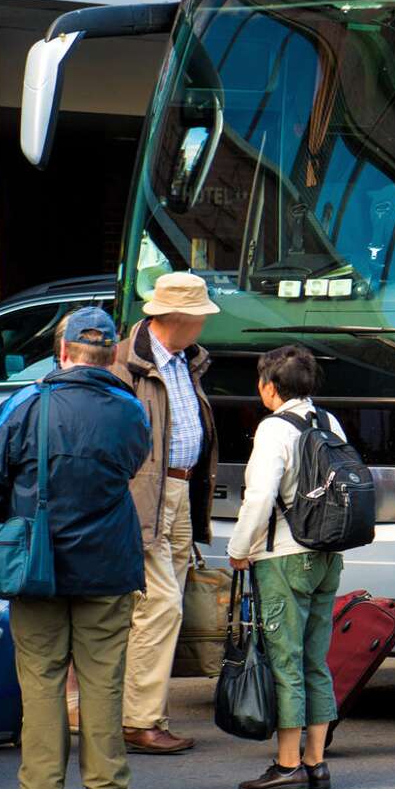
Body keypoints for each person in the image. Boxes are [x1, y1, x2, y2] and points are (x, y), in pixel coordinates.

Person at [0, 307, 150, 789]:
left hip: (36, 563)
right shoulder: (131, 410)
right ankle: (108, 786)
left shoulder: (28, 404)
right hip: (109, 562)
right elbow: (134, 464)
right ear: (111, 358)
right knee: (103, 676)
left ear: (62, 352)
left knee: (42, 677)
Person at [225, 346, 345, 789]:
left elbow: (259, 497)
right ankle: (316, 762)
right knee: (316, 659)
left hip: (284, 557)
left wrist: (239, 549)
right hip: (328, 555)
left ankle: (288, 763)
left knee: (284, 660)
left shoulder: (274, 429)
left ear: (269, 387)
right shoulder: (329, 422)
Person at [115, 272, 220, 755]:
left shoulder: (184, 360)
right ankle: (138, 719)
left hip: (178, 490)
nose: (204, 324)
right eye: (199, 316)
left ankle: (141, 711)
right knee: (160, 605)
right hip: (148, 495)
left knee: (159, 604)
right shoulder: (127, 363)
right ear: (178, 317)